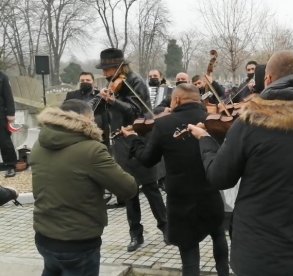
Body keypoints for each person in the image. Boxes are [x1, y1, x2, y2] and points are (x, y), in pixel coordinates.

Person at [187, 50, 293, 276]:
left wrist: (205, 140)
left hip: (256, 252)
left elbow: (220, 177)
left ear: (268, 79)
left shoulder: (251, 121)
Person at [121, 83, 229, 276]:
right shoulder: (213, 121)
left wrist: (133, 139)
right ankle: (223, 272)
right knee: (218, 235)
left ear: (177, 100)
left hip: (181, 199)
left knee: (189, 254)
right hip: (209, 193)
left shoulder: (164, 124)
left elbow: (147, 159)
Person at [31, 99, 137, 275]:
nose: (95, 123)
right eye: (93, 119)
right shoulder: (92, 150)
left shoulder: (40, 143)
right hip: (78, 241)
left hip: (44, 236)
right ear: (85, 119)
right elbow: (128, 188)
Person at [94, 48, 168, 252]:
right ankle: (136, 234)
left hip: (138, 138)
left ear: (117, 67)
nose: (104, 73)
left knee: (151, 188)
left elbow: (136, 111)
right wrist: (102, 101)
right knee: (129, 190)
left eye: (107, 69)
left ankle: (166, 228)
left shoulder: (135, 82)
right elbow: (105, 110)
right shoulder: (112, 84)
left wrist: (113, 100)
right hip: (120, 141)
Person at [0, 71, 17, 178]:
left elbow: (8, 97)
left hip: (0, 114)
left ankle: (10, 165)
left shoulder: (2, 77)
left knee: (5, 141)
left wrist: (10, 113)